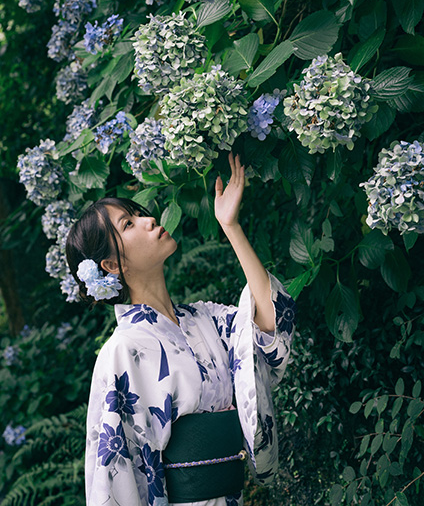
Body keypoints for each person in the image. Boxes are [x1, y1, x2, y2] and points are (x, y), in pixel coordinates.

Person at [66, 153, 297, 506]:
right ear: (112, 265)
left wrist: (230, 226)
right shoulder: (122, 352)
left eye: (139, 213)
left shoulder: (204, 319)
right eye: (128, 224)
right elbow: (116, 478)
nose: (148, 220)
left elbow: (269, 329)